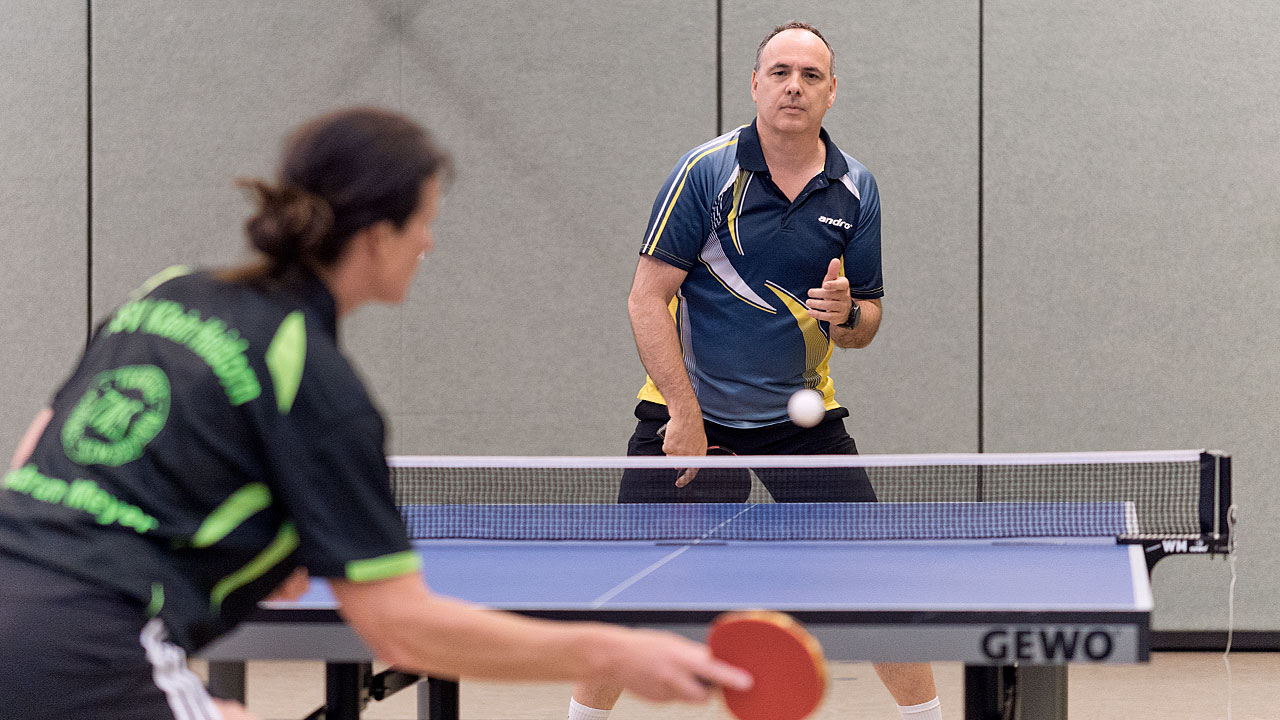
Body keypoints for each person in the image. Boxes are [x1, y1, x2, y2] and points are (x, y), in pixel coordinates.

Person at [0, 107, 750, 720]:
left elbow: (38, 453)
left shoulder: (167, 293)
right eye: (422, 221)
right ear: (375, 235)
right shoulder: (319, 385)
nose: (428, 243)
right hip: (85, 648)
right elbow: (403, 630)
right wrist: (612, 650)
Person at [567, 22, 942, 720]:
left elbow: (866, 323)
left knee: (876, 581)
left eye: (810, 75)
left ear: (832, 91)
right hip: (689, 413)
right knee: (628, 593)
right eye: (780, 72)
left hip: (801, 419)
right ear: (755, 84)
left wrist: (846, 314)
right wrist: (684, 414)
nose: (794, 86)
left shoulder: (856, 188)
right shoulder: (706, 173)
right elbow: (646, 298)